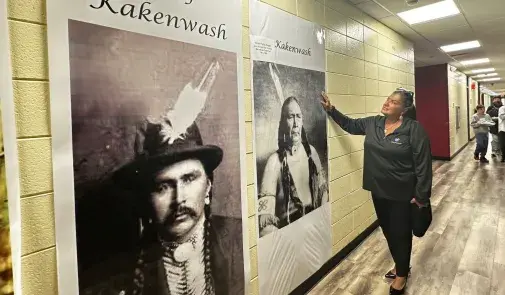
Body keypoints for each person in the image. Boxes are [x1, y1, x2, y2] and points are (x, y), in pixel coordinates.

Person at [87, 117, 243, 295]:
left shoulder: (240, 239)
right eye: (163, 187)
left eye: (189, 179)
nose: (179, 199)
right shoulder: (121, 272)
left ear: (208, 186)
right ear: (146, 198)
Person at [320, 88, 432, 295]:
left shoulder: (414, 130)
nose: (387, 103)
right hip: (378, 190)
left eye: (394, 102)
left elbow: (423, 165)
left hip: (402, 193)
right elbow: (350, 125)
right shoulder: (374, 123)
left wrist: (422, 196)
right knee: (388, 230)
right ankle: (402, 263)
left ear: (404, 109)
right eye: (388, 99)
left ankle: (401, 275)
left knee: (400, 233)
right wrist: (331, 110)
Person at [257, 96, 328, 237]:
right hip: (290, 234)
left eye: (298, 117)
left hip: (315, 228)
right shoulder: (274, 163)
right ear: (283, 123)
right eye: (290, 117)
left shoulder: (311, 153)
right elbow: (264, 220)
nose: (296, 123)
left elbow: (323, 192)